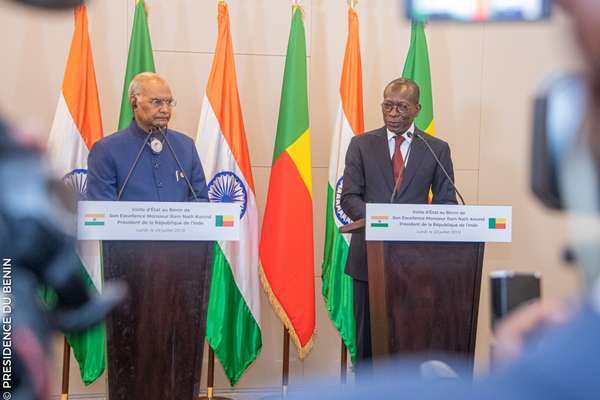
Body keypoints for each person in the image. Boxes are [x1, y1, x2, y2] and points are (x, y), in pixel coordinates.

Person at [340, 78, 458, 364]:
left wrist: (412, 224)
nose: (393, 113)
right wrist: (385, 221)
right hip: (369, 262)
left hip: (417, 264)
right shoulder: (361, 145)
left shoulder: (436, 149)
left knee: (412, 343)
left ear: (417, 109)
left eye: (402, 107)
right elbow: (349, 199)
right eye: (387, 106)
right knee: (368, 344)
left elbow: (446, 203)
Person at [87, 72, 208, 202]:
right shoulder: (106, 150)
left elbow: (200, 200)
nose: (165, 110)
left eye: (169, 102)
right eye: (157, 102)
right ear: (134, 103)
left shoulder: (186, 146)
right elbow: (102, 208)